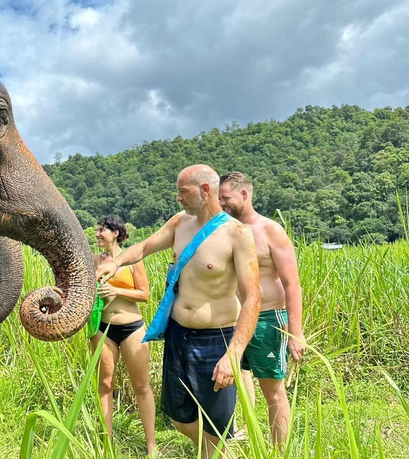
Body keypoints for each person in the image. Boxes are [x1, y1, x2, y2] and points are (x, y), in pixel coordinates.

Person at [96, 165, 261, 456]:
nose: (178, 198)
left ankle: (218, 451)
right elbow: (145, 246)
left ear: (205, 190)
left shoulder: (237, 234)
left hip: (216, 339)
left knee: (217, 423)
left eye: (183, 192)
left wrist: (233, 353)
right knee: (178, 416)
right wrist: (115, 263)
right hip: (178, 334)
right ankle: (218, 451)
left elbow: (252, 298)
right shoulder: (179, 223)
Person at [219, 172, 306, 448]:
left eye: (226, 198)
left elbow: (292, 284)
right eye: (218, 198)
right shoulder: (224, 230)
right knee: (237, 382)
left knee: (273, 391)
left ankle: (281, 451)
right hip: (233, 319)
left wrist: (296, 333)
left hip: (268, 319)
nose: (221, 203)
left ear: (244, 194)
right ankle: (248, 432)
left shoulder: (270, 231)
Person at [90, 215, 157, 455]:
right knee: (105, 384)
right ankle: (106, 444)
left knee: (141, 386)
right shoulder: (94, 260)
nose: (97, 234)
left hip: (131, 328)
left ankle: (151, 445)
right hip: (103, 329)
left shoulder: (132, 260)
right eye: (97, 230)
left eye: (102, 230)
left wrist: (115, 290)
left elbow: (145, 294)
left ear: (116, 233)